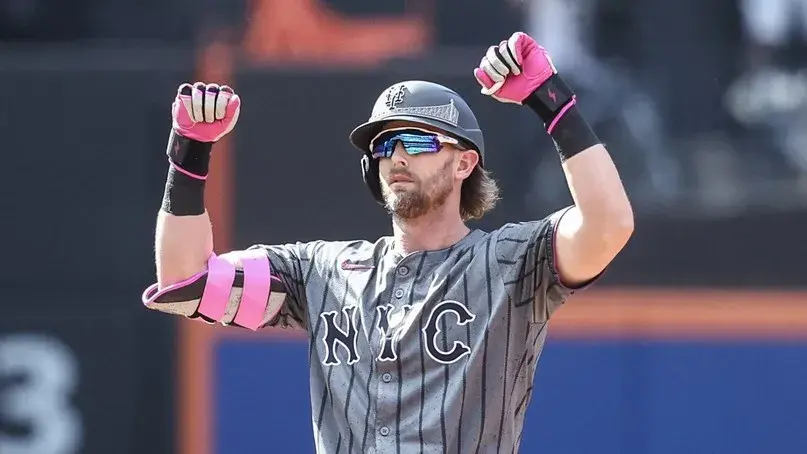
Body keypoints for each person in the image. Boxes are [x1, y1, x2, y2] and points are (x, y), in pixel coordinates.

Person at [143, 31, 634, 453]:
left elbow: (608, 225)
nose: (397, 155)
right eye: (384, 145)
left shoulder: (510, 262)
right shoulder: (321, 270)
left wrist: (553, 102)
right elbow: (187, 281)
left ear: (465, 164)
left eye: (419, 141)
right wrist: (190, 154)